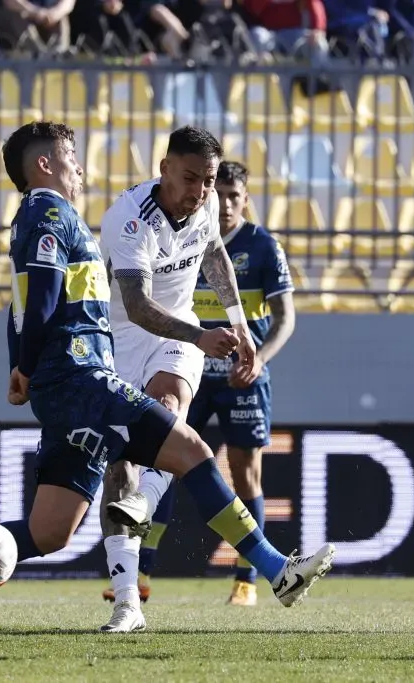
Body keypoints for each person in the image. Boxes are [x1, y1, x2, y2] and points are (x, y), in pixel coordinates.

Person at [0, 120, 334, 639]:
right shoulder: (70, 214)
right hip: (90, 368)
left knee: (50, 532)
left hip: (81, 376)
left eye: (208, 180)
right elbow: (56, 300)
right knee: (186, 449)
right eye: (70, 157)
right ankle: (272, 569)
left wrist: (21, 364)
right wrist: (29, 366)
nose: (80, 166)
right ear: (165, 169)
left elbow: (24, 302)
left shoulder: (45, 214)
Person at [94, 126, 258, 632]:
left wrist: (237, 321)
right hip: (119, 336)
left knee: (166, 413)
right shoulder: (128, 219)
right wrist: (202, 334)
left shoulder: (204, 202)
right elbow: (139, 307)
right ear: (164, 168)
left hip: (175, 337)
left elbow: (212, 253)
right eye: (190, 178)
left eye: (208, 180)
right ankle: (127, 602)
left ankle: (145, 500)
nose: (201, 191)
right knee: (120, 465)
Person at [124, 160, 297, 608]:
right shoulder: (187, 234)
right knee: (165, 461)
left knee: (245, 475)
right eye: (218, 194)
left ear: (246, 198)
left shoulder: (263, 247)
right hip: (191, 368)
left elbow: (285, 318)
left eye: (234, 197)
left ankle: (246, 579)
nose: (224, 205)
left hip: (242, 378)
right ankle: (140, 571)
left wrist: (259, 357)